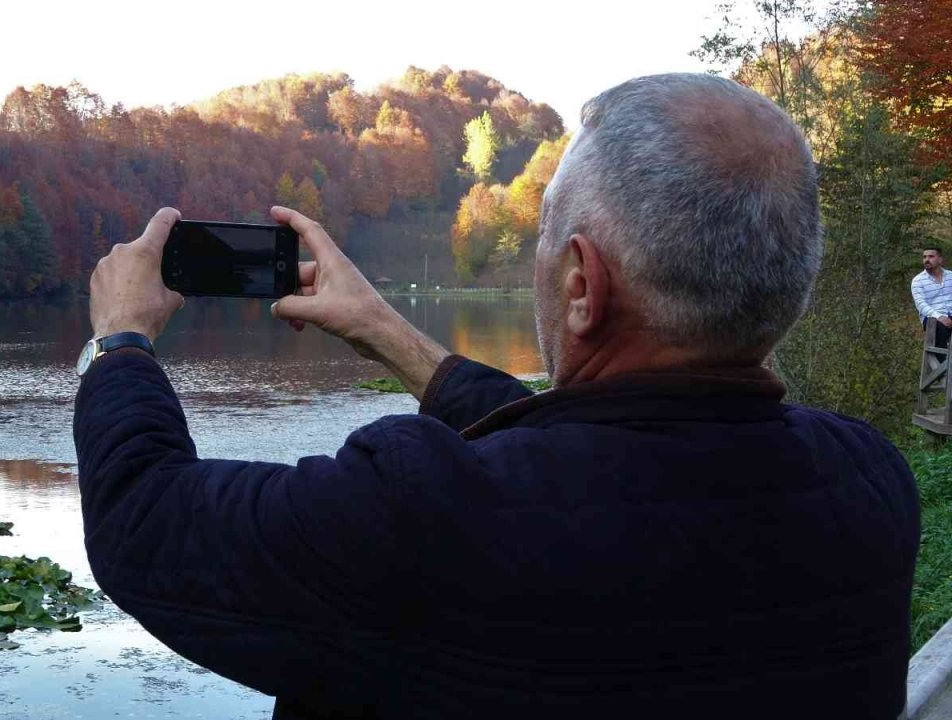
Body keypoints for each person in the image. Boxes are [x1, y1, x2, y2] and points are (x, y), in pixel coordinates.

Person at [73, 74, 918, 719]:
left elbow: (145, 521)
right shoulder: (870, 486)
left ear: (582, 286)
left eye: (546, 246)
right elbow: (589, 460)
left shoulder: (428, 515)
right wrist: (388, 333)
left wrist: (121, 345)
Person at [912, 246, 952, 348]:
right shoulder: (918, 280)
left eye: (931, 256)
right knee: (939, 327)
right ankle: (941, 362)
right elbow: (921, 305)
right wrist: (940, 317)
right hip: (933, 318)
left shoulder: (951, 276)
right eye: (924, 257)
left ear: (940, 259)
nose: (927, 260)